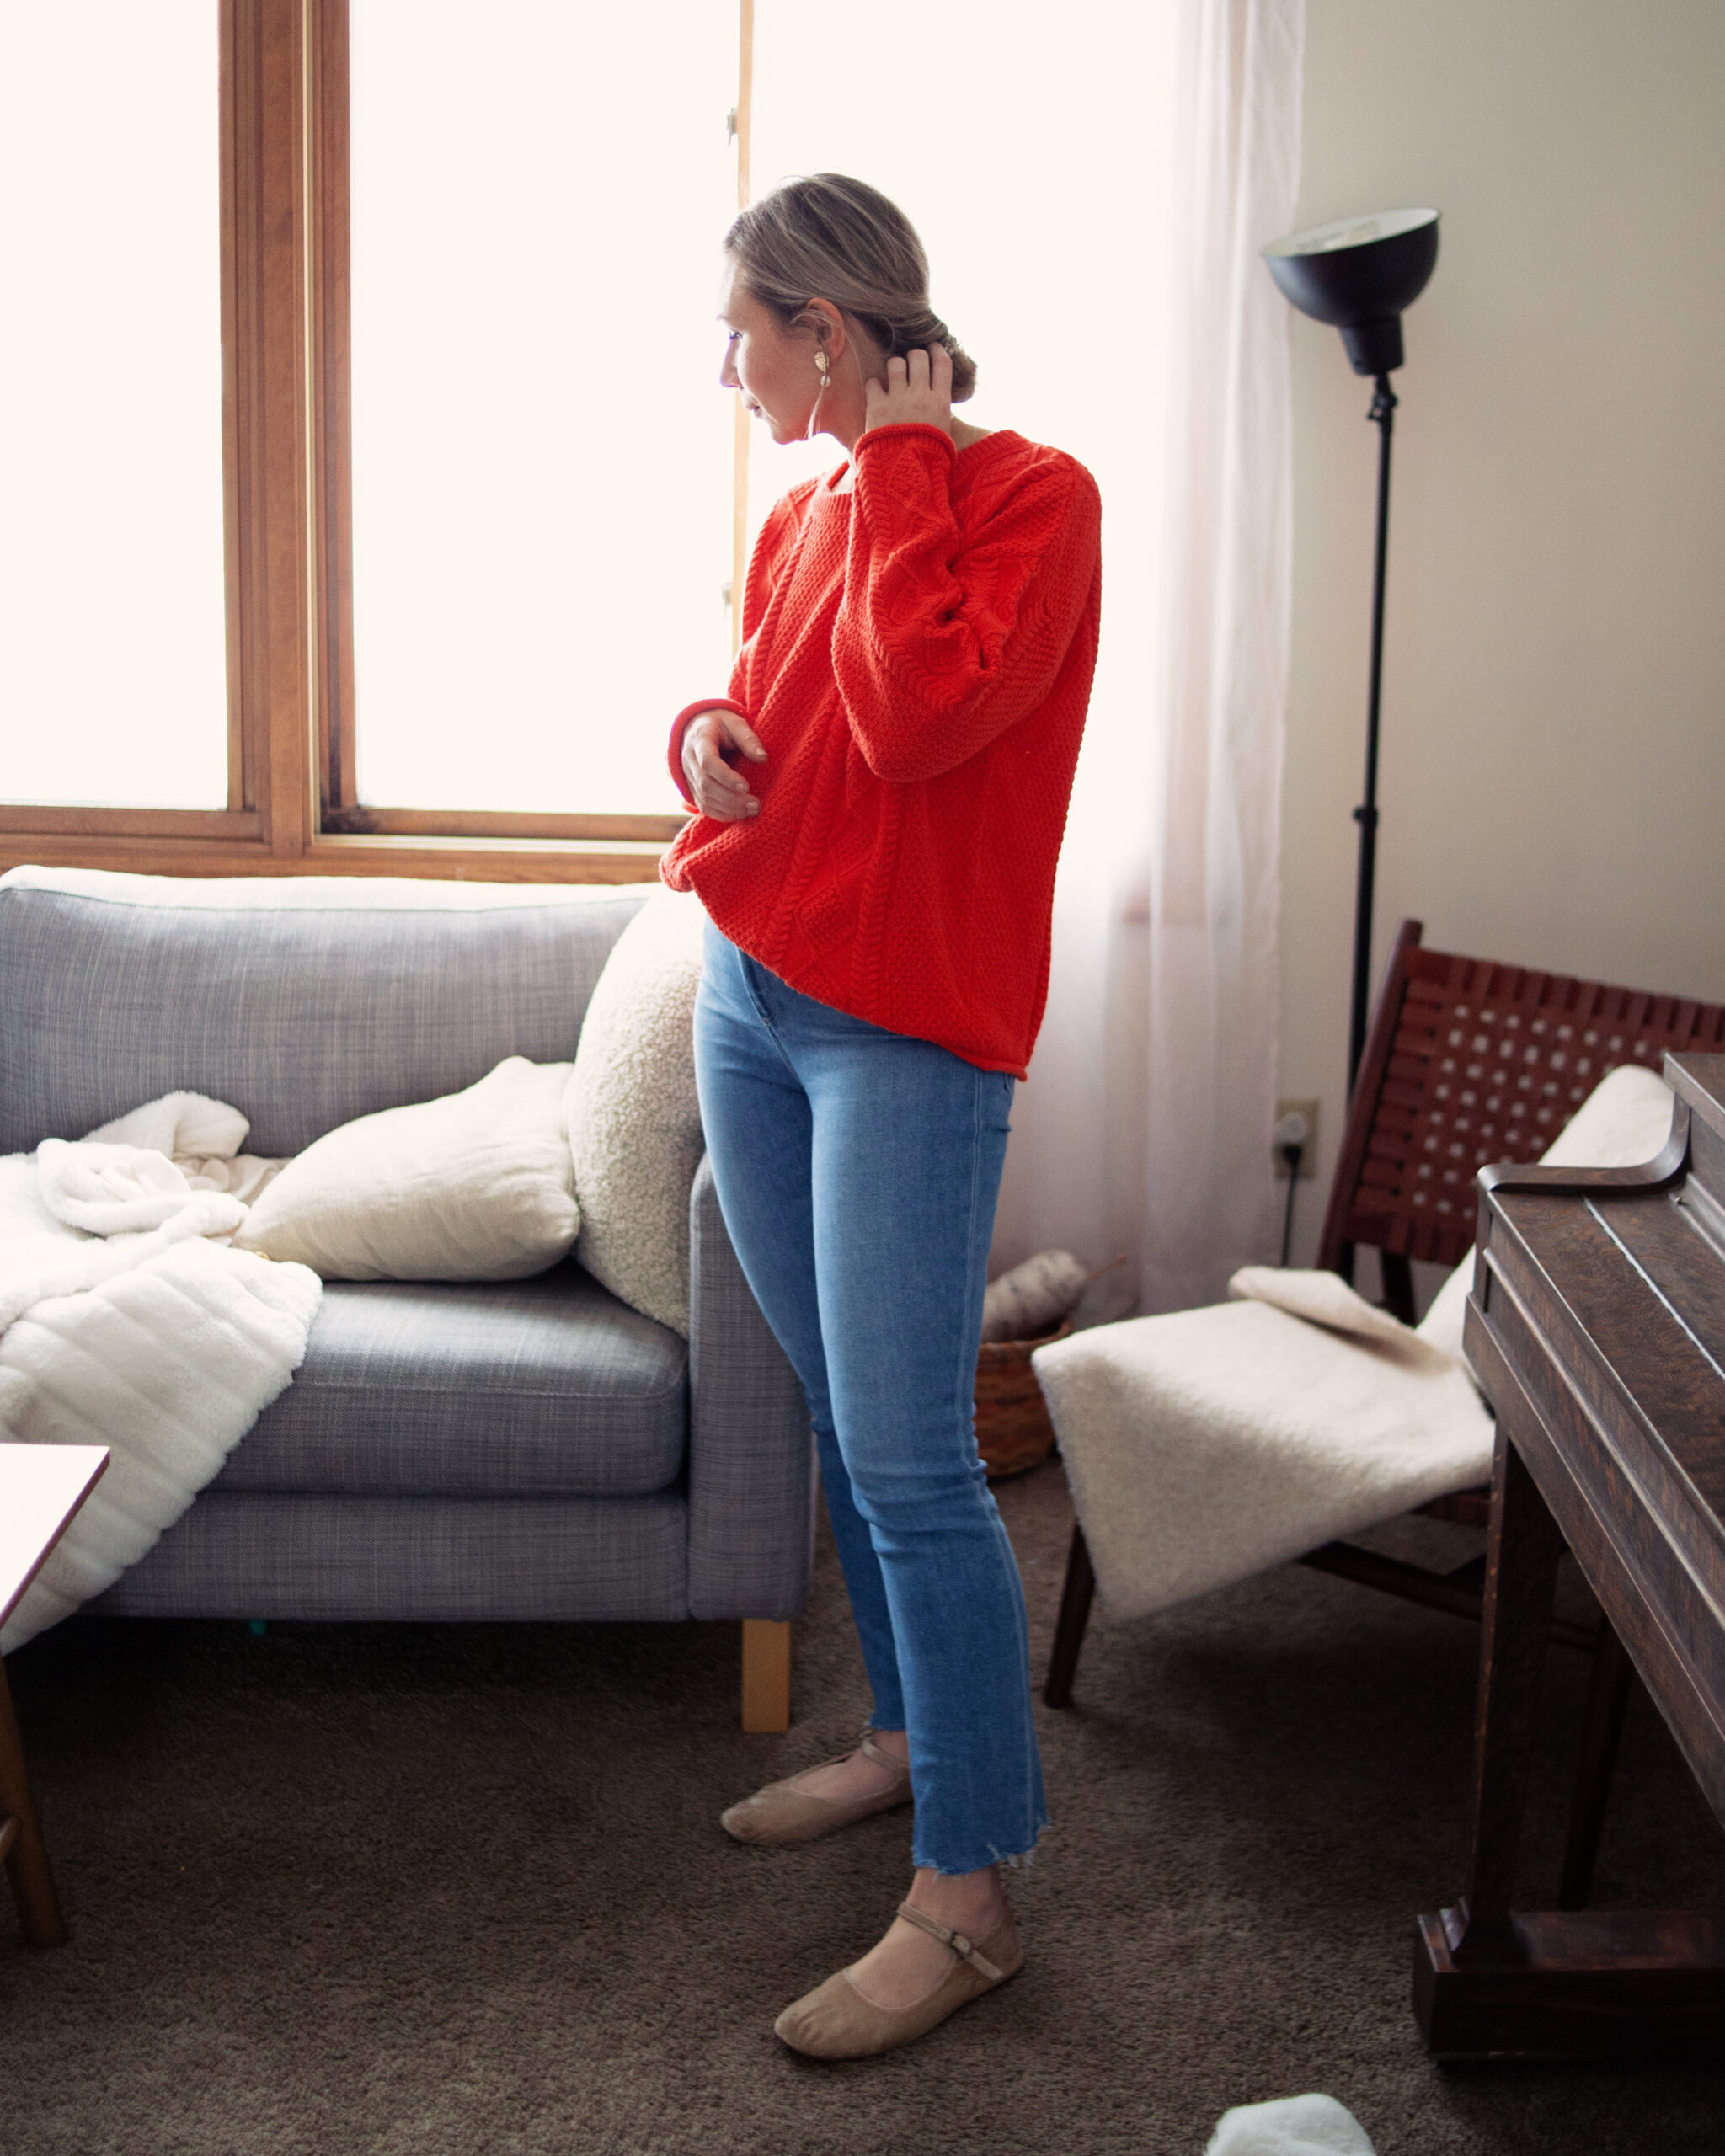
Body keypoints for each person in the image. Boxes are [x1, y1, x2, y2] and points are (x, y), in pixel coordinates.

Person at [660, 172, 1103, 2059]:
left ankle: (970, 1887)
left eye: (744, 327)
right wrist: (695, 730)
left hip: (906, 1035)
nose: (727, 361)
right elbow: (789, 708)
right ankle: (911, 1743)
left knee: (919, 1457)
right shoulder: (802, 509)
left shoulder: (1029, 499)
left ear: (823, 334)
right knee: (846, 1407)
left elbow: (922, 710)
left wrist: (907, 460)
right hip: (753, 991)